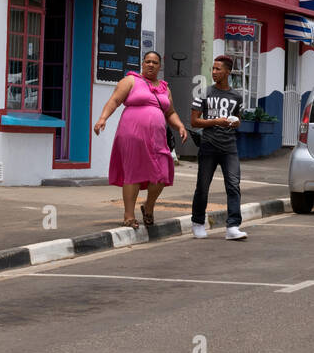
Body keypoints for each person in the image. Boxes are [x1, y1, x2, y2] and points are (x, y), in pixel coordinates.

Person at [94, 50, 187, 229]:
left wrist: (180, 126)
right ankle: (129, 215)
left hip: (157, 139)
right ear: (142, 64)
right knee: (133, 173)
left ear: (160, 66)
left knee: (161, 174)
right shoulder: (131, 81)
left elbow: (170, 112)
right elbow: (114, 101)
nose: (151, 65)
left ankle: (149, 206)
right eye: (147, 61)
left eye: (155, 62)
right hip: (132, 135)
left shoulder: (164, 88)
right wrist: (102, 118)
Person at [189, 55, 247, 240]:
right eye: (213, 69)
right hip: (209, 145)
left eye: (218, 69)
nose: (214, 72)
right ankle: (197, 222)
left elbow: (239, 119)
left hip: (230, 147)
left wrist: (235, 123)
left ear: (228, 72)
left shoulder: (237, 96)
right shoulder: (203, 92)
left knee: (233, 185)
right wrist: (216, 121)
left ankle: (233, 226)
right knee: (203, 186)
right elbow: (194, 121)